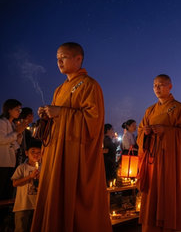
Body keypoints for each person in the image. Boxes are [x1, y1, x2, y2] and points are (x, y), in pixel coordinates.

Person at [32, 42, 112, 231]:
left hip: (74, 153)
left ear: (78, 59)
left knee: (72, 198)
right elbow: (59, 117)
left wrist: (61, 112)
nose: (59, 61)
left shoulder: (90, 85)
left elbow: (93, 120)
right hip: (55, 150)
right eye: (57, 57)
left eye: (64, 57)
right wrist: (48, 115)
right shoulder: (59, 90)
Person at [136, 74, 181, 232]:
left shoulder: (180, 108)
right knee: (152, 194)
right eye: (155, 85)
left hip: (172, 161)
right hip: (152, 160)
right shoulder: (150, 110)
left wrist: (167, 132)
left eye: (161, 85)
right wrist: (146, 133)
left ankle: (172, 225)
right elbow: (140, 132)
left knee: (170, 192)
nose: (157, 88)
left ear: (170, 86)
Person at [11, 139, 41, 232]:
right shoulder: (22, 167)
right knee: (21, 228)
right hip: (23, 205)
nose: (36, 154)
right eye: (33, 152)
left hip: (37, 205)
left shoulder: (43, 167)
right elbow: (15, 183)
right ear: (27, 153)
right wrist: (30, 177)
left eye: (39, 152)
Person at [1, 99, 27, 202]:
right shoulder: (2, 122)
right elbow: (2, 139)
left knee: (8, 189)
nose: (19, 112)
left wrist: (19, 134)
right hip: (2, 162)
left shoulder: (12, 124)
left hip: (10, 161)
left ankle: (5, 213)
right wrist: (16, 132)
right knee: (2, 189)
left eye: (20, 110)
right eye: (17, 109)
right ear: (9, 110)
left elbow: (15, 144)